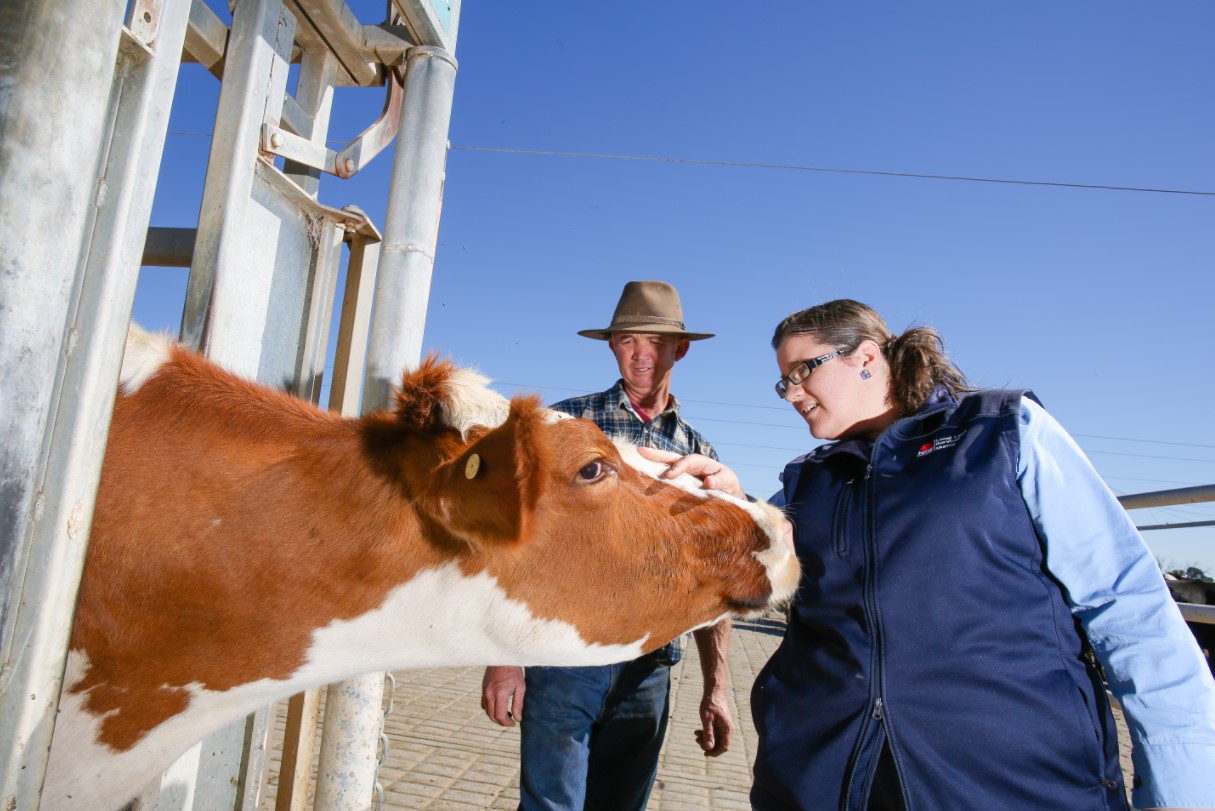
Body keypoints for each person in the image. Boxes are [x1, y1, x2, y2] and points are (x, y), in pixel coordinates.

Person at [640, 299, 1215, 811]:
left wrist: (1182, 784)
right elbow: (746, 567)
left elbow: (1126, 603)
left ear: (866, 357)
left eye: (802, 371)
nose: (790, 393)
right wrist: (730, 501)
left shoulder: (1003, 432)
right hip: (820, 777)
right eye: (781, 382)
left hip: (1008, 780)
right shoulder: (804, 482)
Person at [480, 280, 736, 811]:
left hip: (650, 667)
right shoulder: (565, 427)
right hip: (564, 655)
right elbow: (509, 539)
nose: (640, 355)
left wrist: (717, 686)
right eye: (626, 341)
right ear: (611, 346)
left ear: (680, 350)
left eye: (654, 342)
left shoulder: (700, 455)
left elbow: (717, 579)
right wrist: (501, 658)